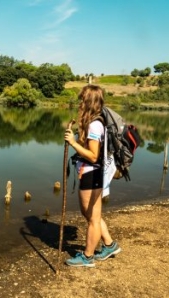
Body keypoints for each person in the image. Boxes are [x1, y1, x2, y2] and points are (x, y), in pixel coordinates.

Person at [63, 85, 121, 267]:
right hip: (92, 174)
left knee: (92, 218)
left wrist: (72, 143)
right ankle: (110, 245)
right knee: (92, 215)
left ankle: (87, 257)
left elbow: (94, 155)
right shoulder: (94, 122)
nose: (80, 103)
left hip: (92, 174)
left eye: (82, 100)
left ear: (88, 102)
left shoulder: (95, 124)